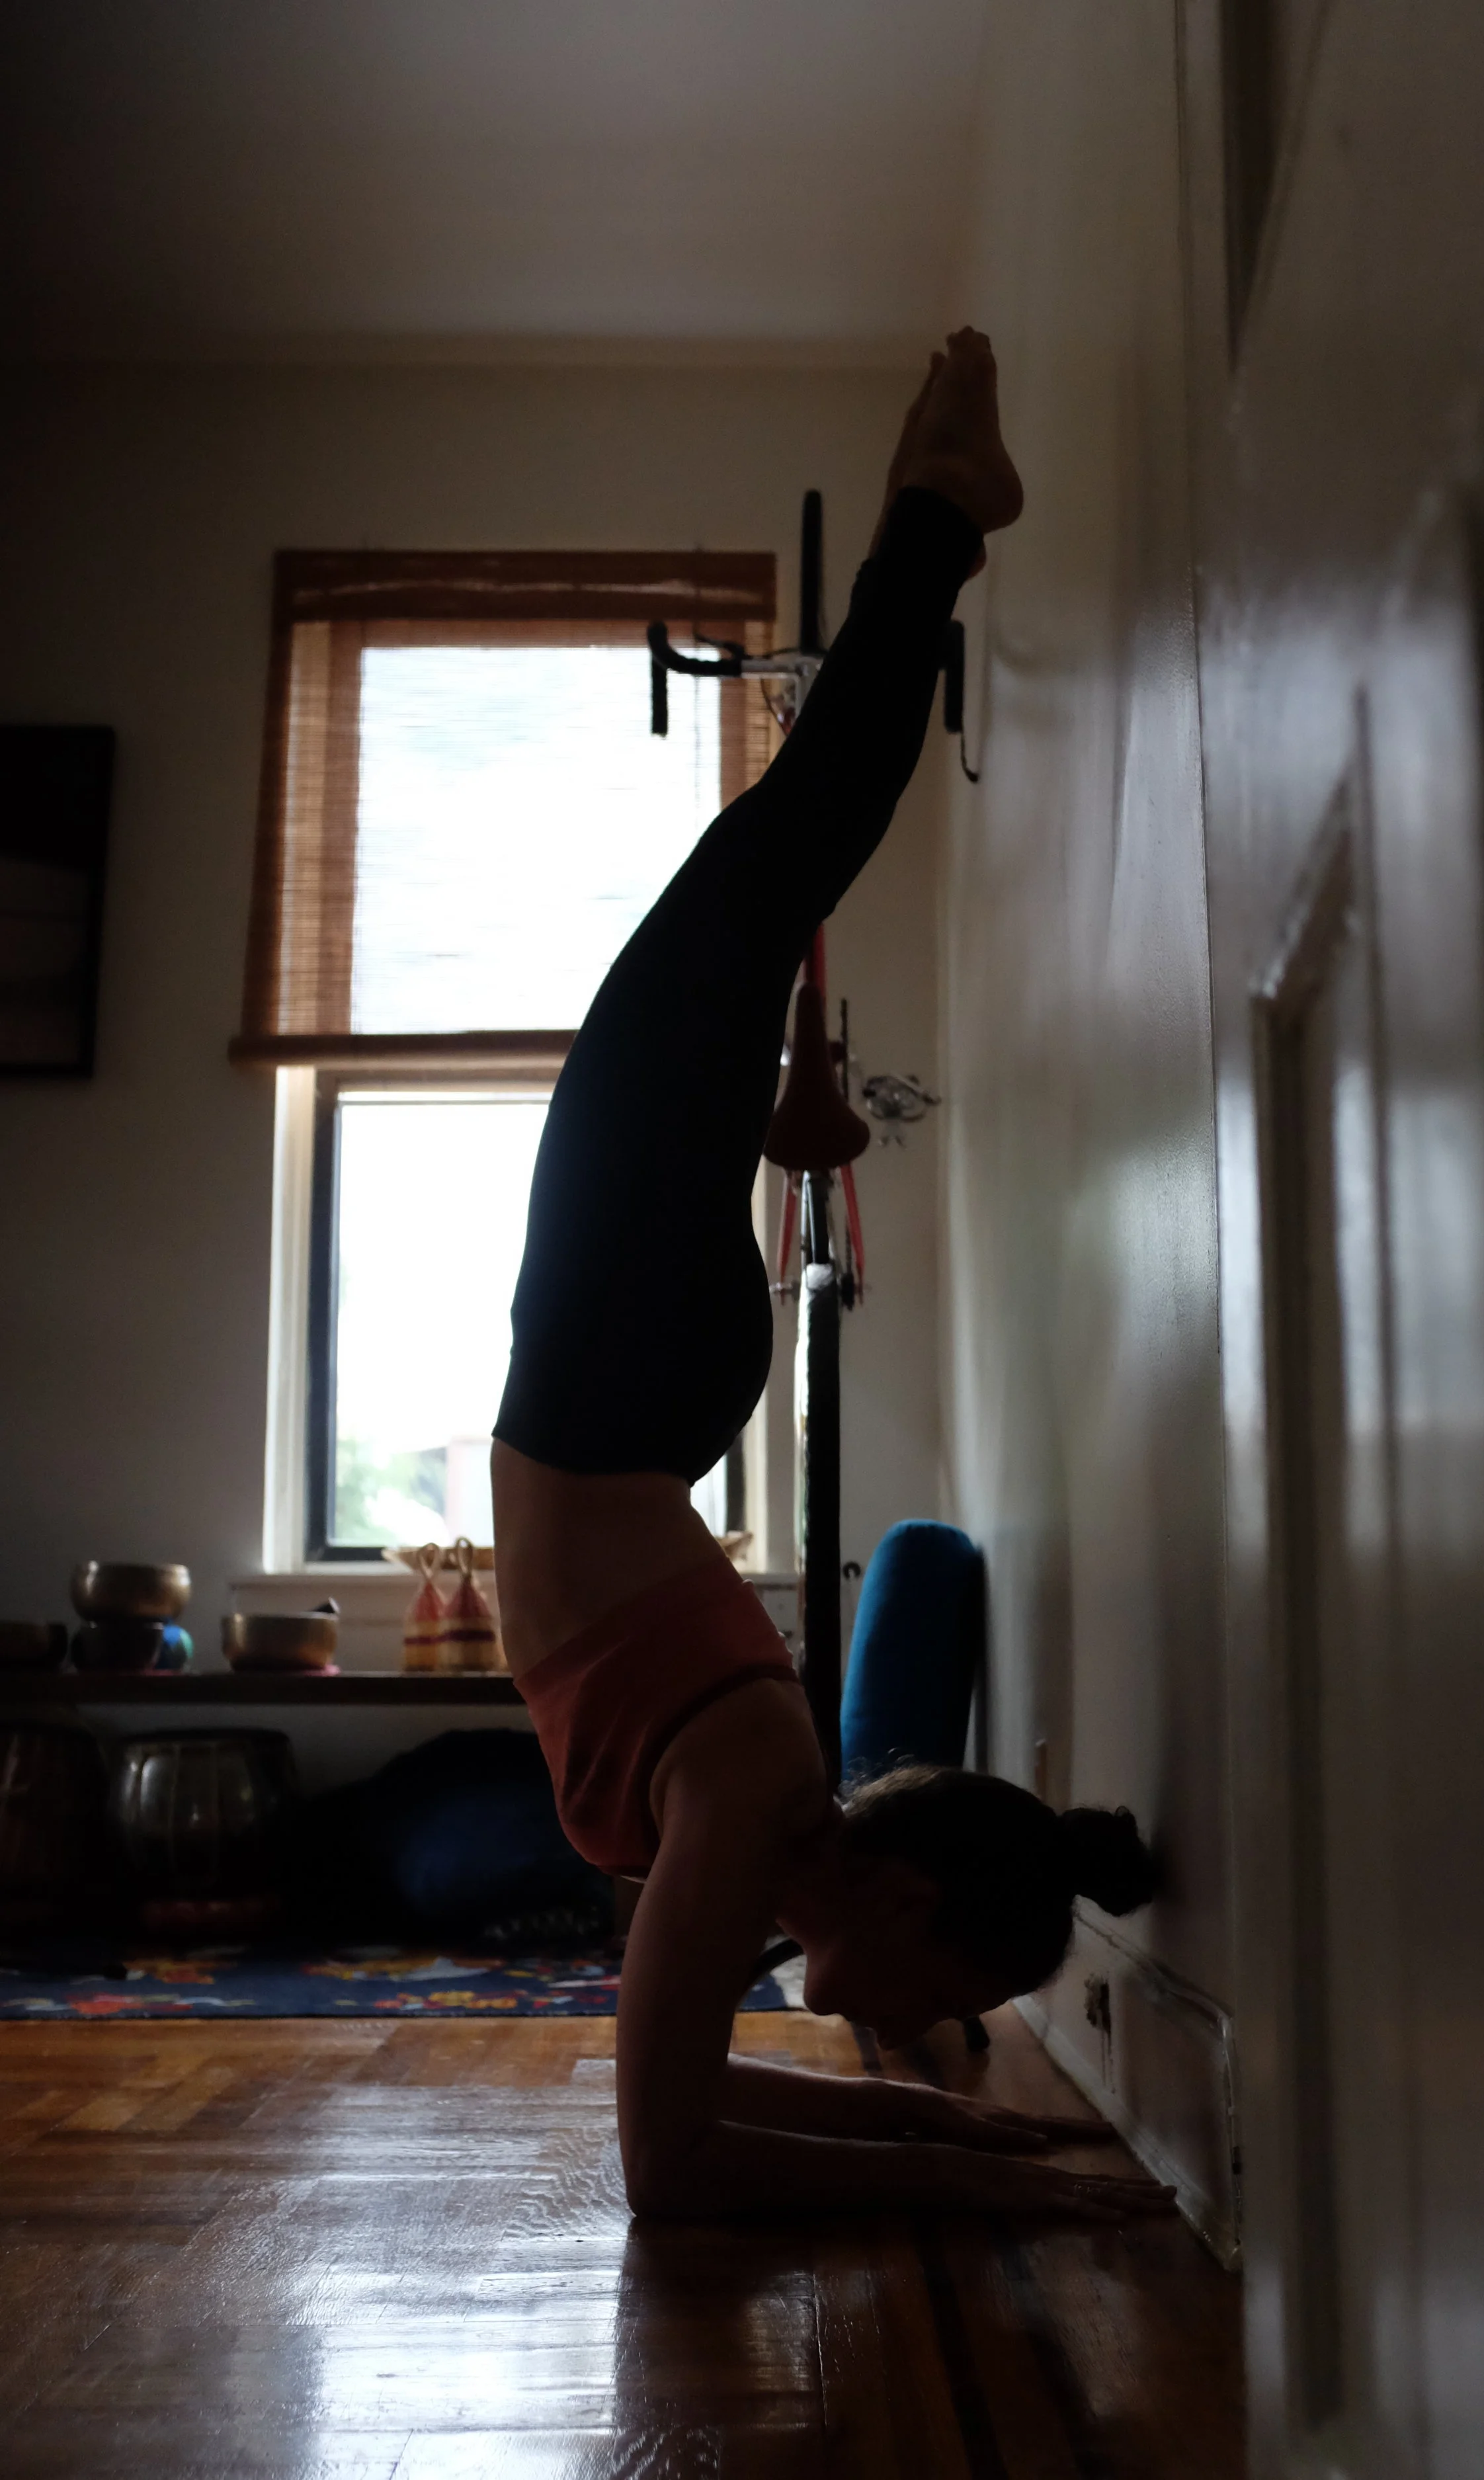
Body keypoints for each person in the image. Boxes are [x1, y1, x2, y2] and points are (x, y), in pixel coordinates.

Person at [493, 331, 1169, 2222]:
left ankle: (934, 514)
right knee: (759, 864)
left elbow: (673, 2156)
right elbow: (683, 2165)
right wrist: (1003, 2184)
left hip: (630, 1380)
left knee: (747, 888)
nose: (926, 2028)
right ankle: (940, 517)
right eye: (953, 2000)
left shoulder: (753, 1809)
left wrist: (970, 2141)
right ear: (903, 1899)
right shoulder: (751, 1787)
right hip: (617, 1389)